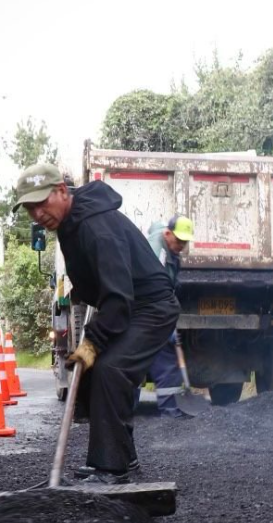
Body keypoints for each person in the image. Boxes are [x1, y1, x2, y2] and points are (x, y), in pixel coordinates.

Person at [12, 163, 180, 484]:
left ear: (62, 191)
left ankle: (112, 471)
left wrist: (92, 342)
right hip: (130, 305)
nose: (37, 214)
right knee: (95, 371)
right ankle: (121, 458)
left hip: (151, 308)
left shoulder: (96, 226)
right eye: (30, 208)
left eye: (41, 203)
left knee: (109, 369)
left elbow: (119, 299)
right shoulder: (70, 222)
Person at [143, 215, 194, 418]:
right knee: (158, 359)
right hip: (146, 312)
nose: (181, 245)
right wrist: (164, 323)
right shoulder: (157, 251)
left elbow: (169, 289)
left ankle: (169, 410)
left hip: (156, 311)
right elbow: (153, 289)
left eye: (185, 241)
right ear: (167, 233)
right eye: (178, 240)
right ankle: (168, 411)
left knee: (163, 359)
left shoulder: (170, 250)